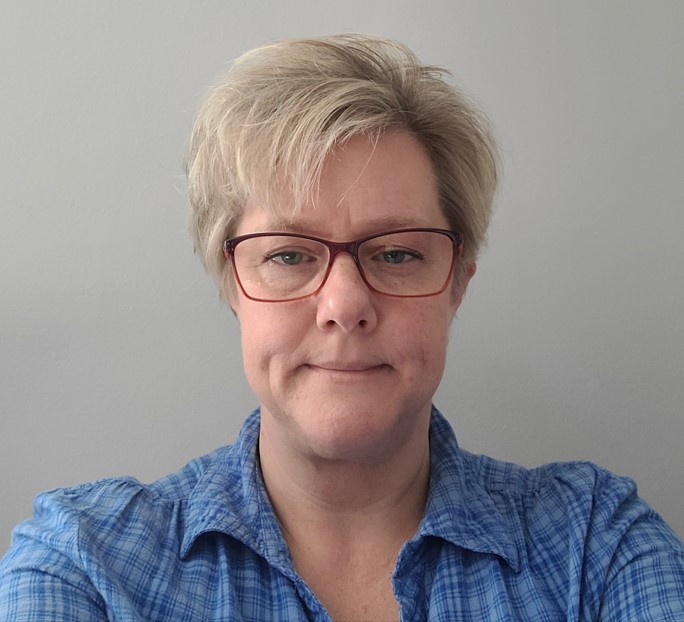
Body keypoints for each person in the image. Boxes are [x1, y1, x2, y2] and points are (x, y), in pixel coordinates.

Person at [1, 34, 682, 621]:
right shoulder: (86, 564)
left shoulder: (596, 549)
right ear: (231, 285)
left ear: (458, 283)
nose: (344, 304)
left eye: (397, 253)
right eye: (289, 255)